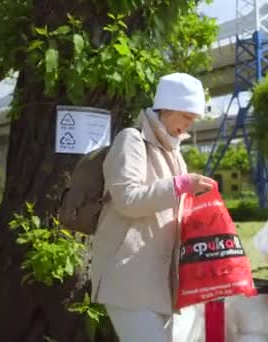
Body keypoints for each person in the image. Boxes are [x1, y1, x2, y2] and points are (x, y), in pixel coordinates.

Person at [90, 72, 215, 341]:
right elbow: (127, 200)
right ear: (168, 108)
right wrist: (181, 185)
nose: (189, 125)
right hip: (129, 274)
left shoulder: (173, 152)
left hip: (160, 280)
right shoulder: (132, 140)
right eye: (187, 116)